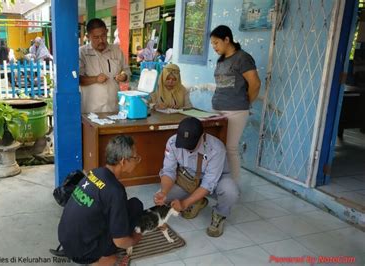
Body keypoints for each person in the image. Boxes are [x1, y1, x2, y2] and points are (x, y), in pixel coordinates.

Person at [58, 135, 144, 265]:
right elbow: (120, 241)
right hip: (83, 253)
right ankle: (99, 260)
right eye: (135, 158)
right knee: (136, 207)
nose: (137, 161)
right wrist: (135, 240)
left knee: (133, 205)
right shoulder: (115, 190)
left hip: (65, 239)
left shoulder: (95, 172)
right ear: (123, 161)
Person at [153, 117, 240, 237]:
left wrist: (184, 204)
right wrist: (163, 192)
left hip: (216, 181)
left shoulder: (216, 148)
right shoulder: (172, 143)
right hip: (188, 179)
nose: (187, 149)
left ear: (202, 136)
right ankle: (198, 201)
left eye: (191, 145)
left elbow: (209, 183)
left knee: (230, 191)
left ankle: (219, 214)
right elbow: (168, 171)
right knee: (163, 198)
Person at [209, 25, 261, 182]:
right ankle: (218, 180)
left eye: (216, 43)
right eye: (212, 44)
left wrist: (246, 102)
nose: (214, 47)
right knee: (217, 148)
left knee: (230, 148)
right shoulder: (222, 60)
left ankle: (234, 185)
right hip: (218, 108)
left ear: (227, 39)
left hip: (236, 111)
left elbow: (256, 84)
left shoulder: (242, 58)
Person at [79, 18, 131, 113]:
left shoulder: (117, 51)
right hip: (91, 110)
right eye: (96, 37)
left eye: (103, 35)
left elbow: (127, 71)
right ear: (88, 36)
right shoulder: (82, 52)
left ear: (107, 32)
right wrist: (95, 79)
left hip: (113, 108)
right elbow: (77, 79)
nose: (101, 40)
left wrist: (124, 76)